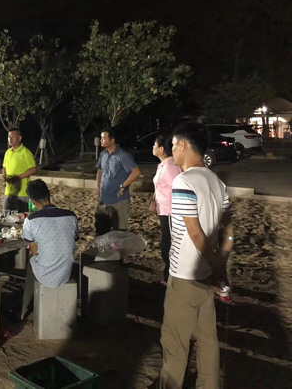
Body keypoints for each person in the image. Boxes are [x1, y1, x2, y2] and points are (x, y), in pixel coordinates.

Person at [158, 123, 234, 389]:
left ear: (183, 145)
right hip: (206, 278)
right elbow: (229, 231)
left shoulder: (184, 181)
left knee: (175, 344)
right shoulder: (217, 182)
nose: (171, 152)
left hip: (185, 276)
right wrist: (220, 263)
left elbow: (195, 233)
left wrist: (215, 264)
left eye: (173, 145)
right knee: (208, 341)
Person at [21, 179, 78, 318]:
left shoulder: (31, 220)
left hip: (47, 276)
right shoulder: (71, 216)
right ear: (49, 194)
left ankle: (24, 308)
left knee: (30, 260)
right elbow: (73, 238)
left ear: (33, 202)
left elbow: (35, 251)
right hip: (66, 272)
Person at [150, 134, 182, 283]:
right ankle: (169, 275)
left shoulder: (170, 167)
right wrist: (154, 201)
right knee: (166, 242)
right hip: (164, 210)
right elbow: (160, 186)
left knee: (168, 244)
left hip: (170, 211)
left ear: (161, 149)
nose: (152, 148)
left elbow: (177, 188)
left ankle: (170, 276)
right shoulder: (164, 165)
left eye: (154, 145)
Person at [95, 127, 141, 230]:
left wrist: (123, 186)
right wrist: (98, 186)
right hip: (104, 198)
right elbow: (100, 170)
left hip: (118, 200)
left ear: (112, 140)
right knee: (101, 229)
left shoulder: (123, 156)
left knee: (119, 230)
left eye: (104, 138)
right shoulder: (103, 154)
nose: (101, 140)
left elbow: (136, 172)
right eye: (101, 138)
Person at [2, 127, 37, 212]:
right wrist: (4, 176)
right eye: (9, 137)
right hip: (9, 192)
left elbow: (33, 169)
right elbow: (4, 167)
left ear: (19, 138)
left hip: (22, 193)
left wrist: (18, 178)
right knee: (6, 215)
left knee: (20, 216)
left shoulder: (25, 152)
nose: (10, 139)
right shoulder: (8, 152)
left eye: (13, 137)